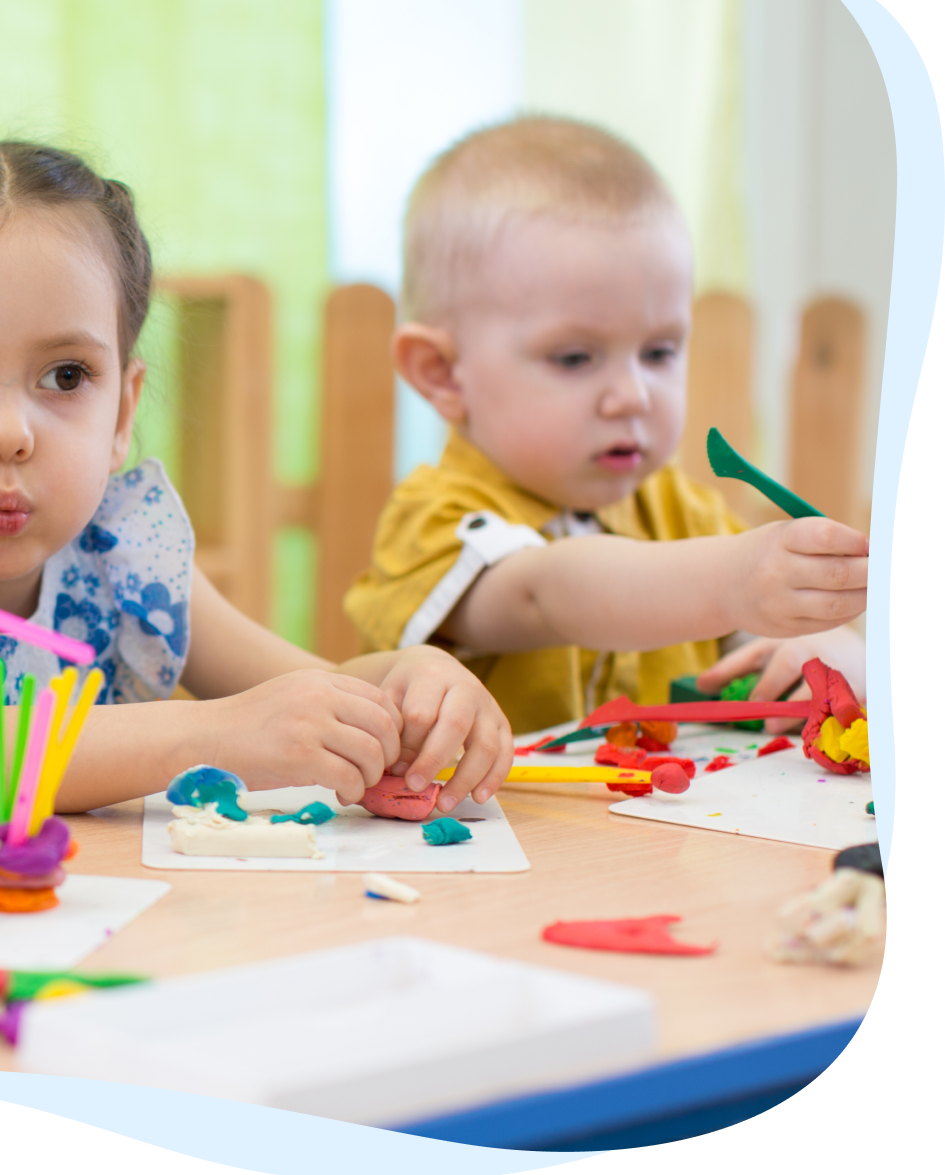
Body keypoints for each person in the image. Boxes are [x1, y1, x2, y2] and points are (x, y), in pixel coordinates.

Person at [0, 137, 512, 837]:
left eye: (66, 376)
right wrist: (210, 736)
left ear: (121, 411)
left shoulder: (128, 556)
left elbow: (307, 690)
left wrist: (414, 689)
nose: (10, 433)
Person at [346, 116, 868, 734]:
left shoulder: (685, 514)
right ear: (443, 373)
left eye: (660, 352)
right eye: (574, 358)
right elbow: (541, 595)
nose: (633, 395)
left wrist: (828, 648)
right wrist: (730, 579)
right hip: (490, 827)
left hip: (666, 826)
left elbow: (765, 625)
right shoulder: (434, 518)